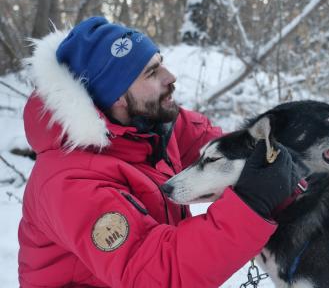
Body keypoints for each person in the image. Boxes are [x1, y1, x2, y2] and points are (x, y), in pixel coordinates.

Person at [18, 17, 302, 287]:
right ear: (115, 95)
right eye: (152, 73)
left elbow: (231, 152)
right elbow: (155, 275)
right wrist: (251, 204)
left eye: (160, 63)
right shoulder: (68, 184)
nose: (170, 76)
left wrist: (295, 164)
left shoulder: (149, 124)